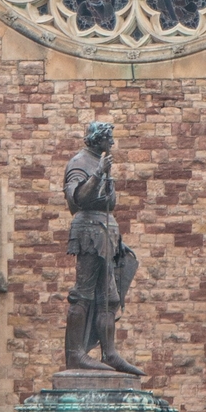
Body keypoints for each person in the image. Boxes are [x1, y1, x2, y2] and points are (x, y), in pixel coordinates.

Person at [63, 121, 142, 375]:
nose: (113, 142)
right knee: (83, 295)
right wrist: (98, 173)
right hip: (88, 233)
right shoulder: (80, 163)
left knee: (110, 298)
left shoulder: (101, 161)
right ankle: (75, 354)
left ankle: (109, 354)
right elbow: (78, 201)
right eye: (109, 138)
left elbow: (107, 205)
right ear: (98, 139)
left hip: (106, 233)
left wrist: (116, 239)